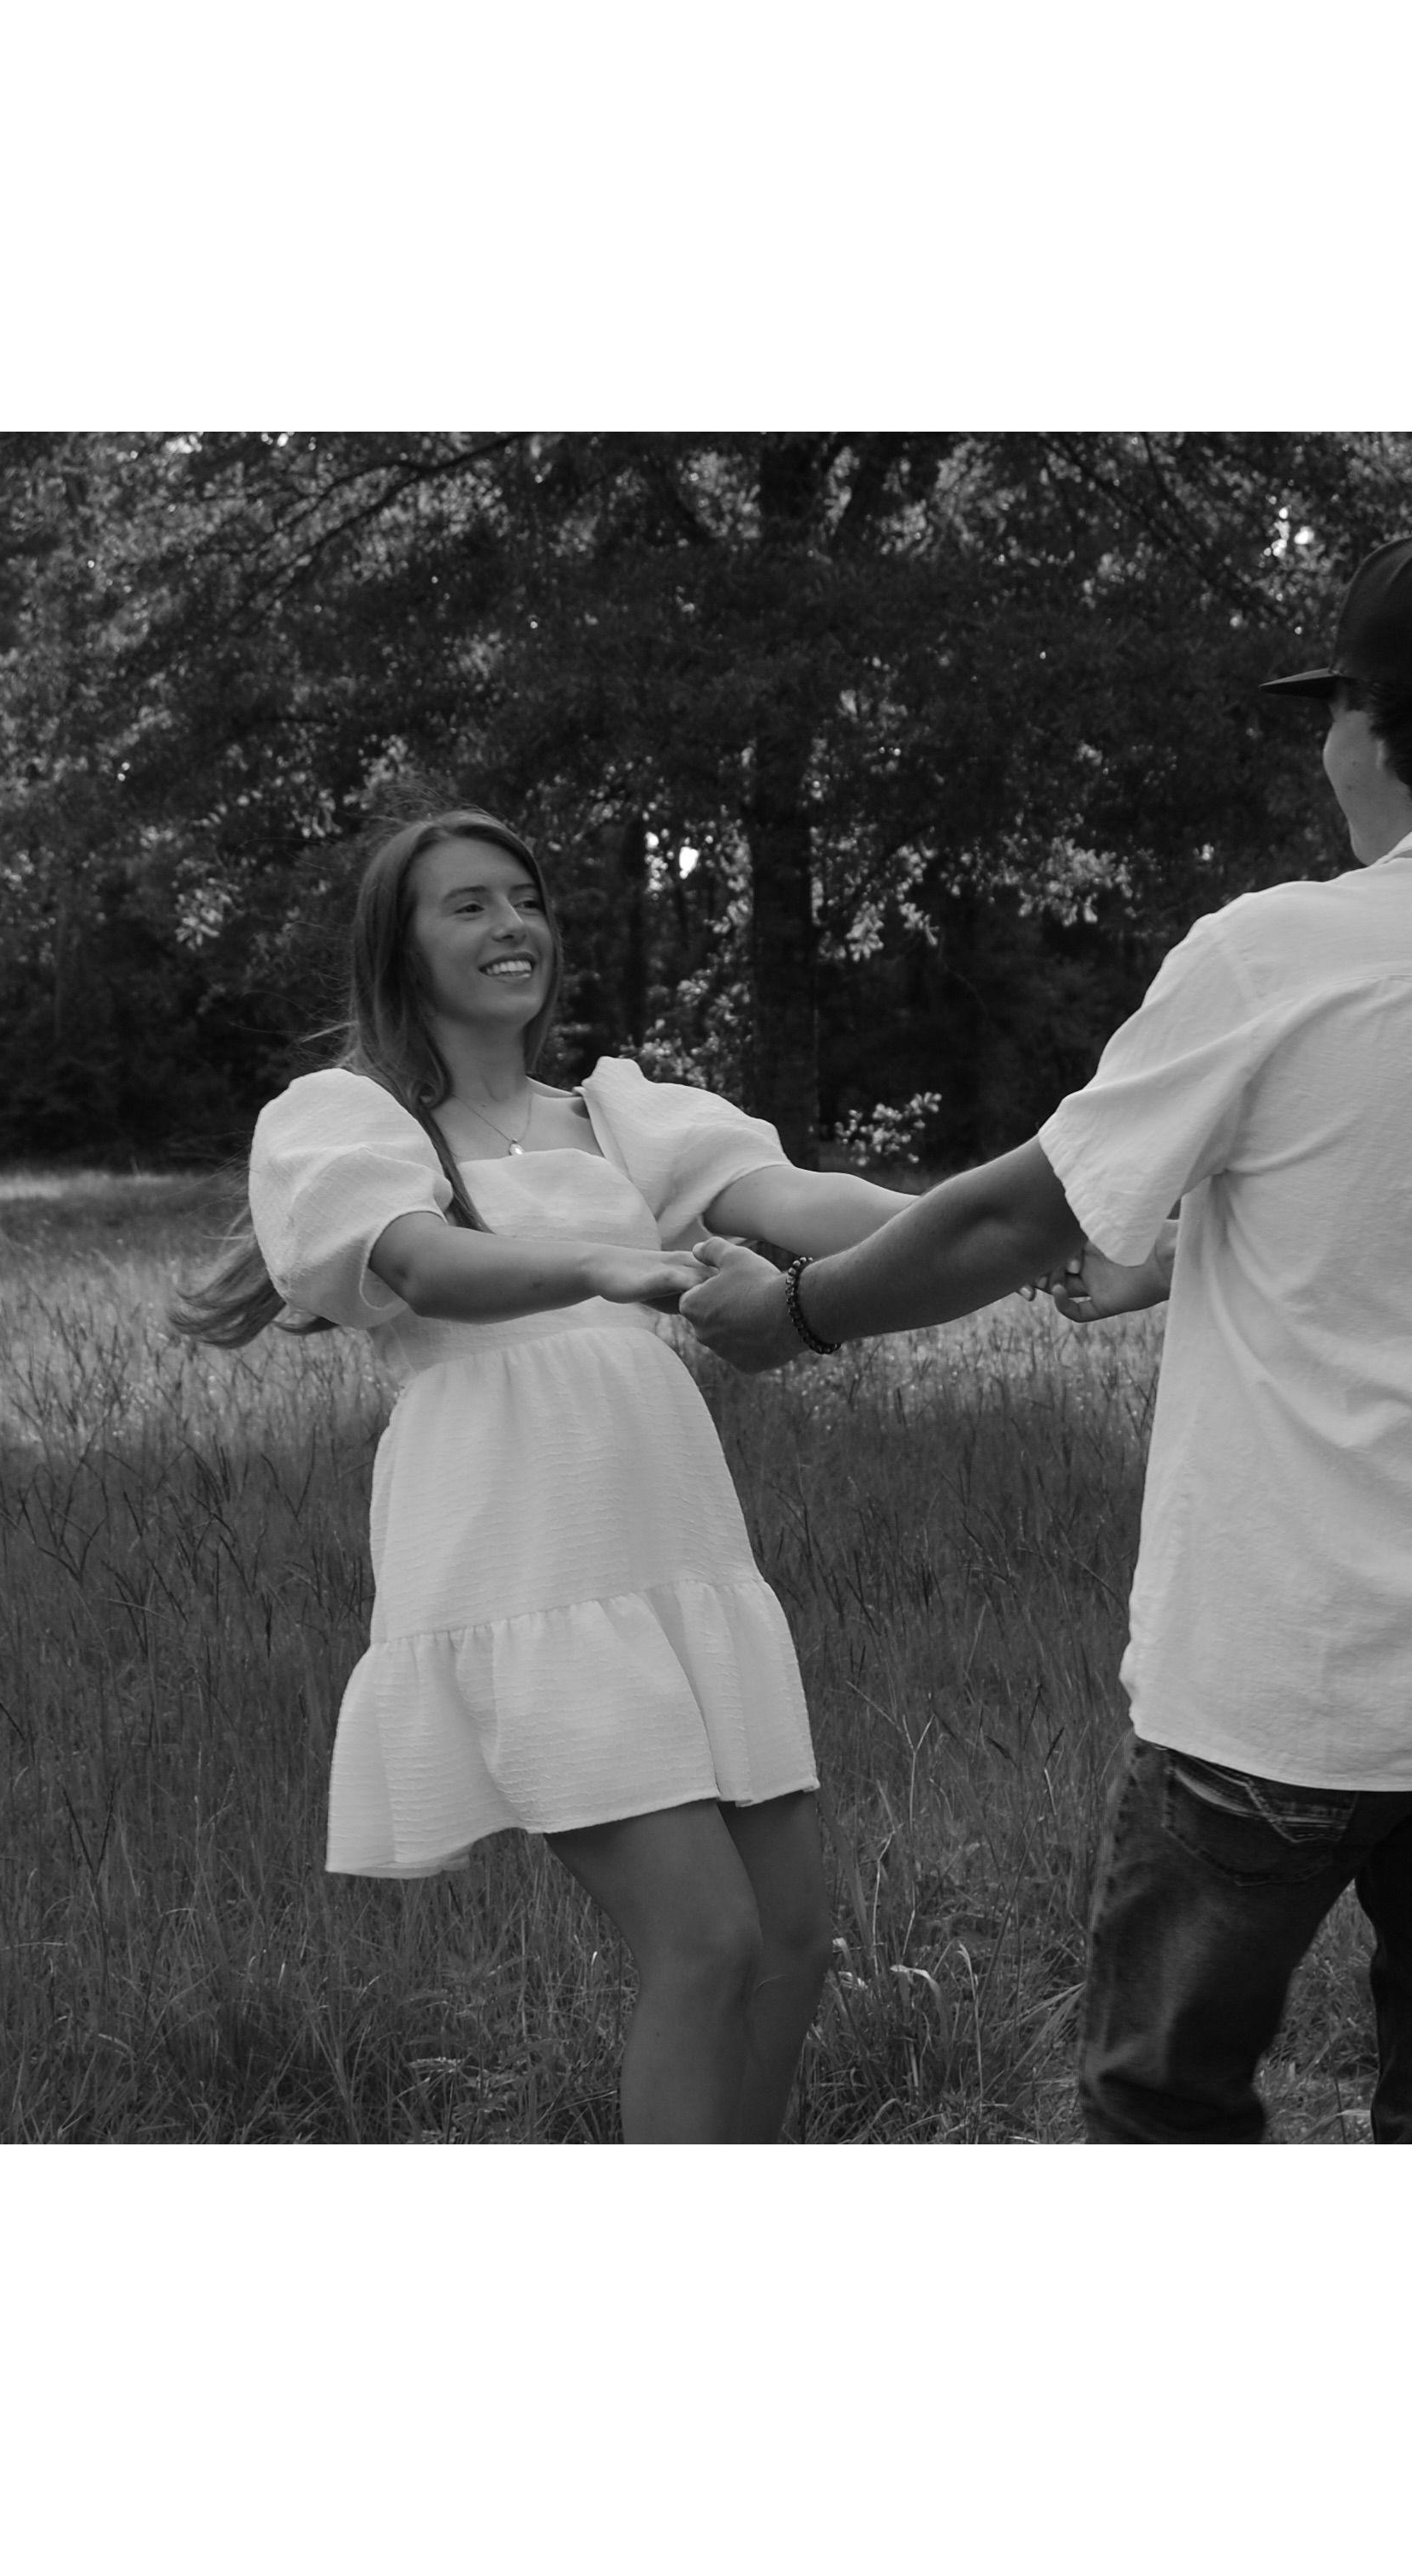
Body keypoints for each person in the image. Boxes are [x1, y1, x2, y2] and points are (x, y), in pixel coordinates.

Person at [682, 532, 1412, 2143]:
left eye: (1333, 714)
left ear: (1381, 726)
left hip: (1280, 1682)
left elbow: (1012, 1220)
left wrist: (793, 1312)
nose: (1325, 754)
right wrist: (1185, 1263)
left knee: (1166, 2109)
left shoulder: (1279, 951)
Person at [174, 807, 915, 2143]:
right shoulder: (348, 1121)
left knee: (793, 1942)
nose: (510, 925)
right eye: (467, 905)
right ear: (399, 945)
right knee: (703, 1941)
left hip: (674, 1552)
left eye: (523, 899)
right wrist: (607, 1264)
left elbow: (801, 1200)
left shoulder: (616, 1116)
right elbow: (421, 1264)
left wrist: (1007, 1229)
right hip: (523, 1555)